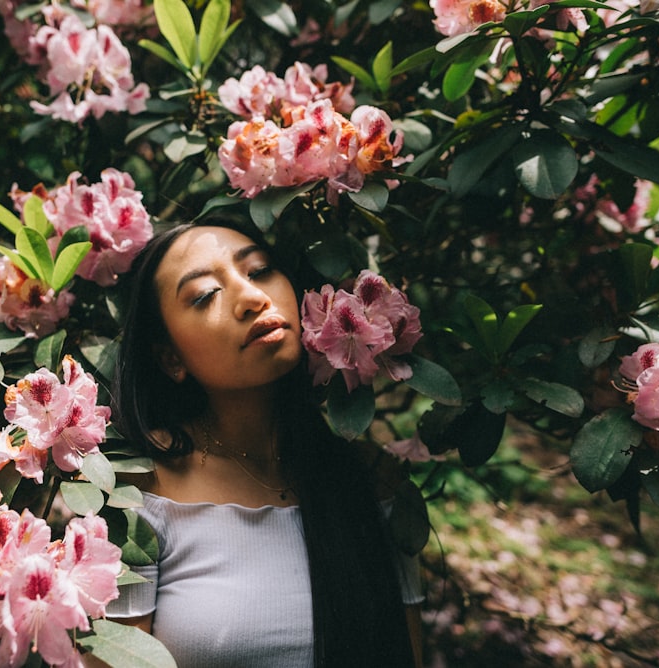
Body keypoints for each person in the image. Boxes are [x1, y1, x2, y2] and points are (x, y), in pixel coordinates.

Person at [106, 220, 424, 667]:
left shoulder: (372, 479)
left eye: (259, 271)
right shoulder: (135, 495)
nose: (253, 298)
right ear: (170, 358)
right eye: (203, 295)